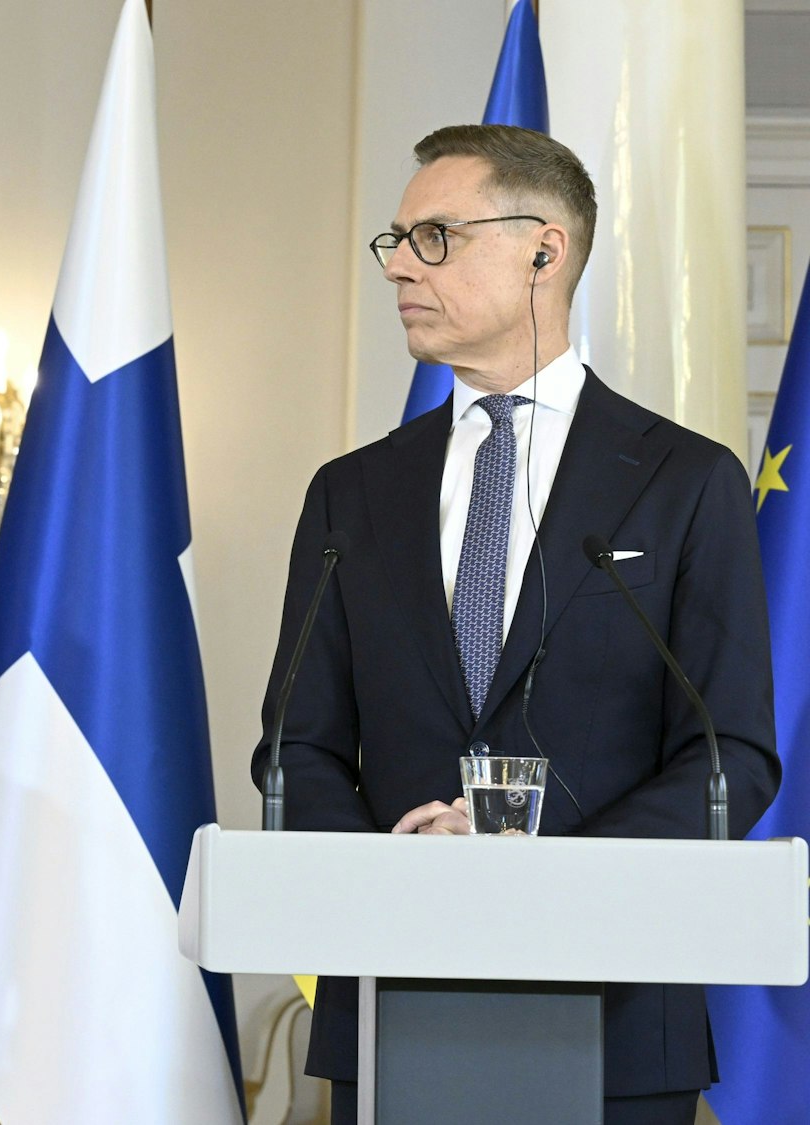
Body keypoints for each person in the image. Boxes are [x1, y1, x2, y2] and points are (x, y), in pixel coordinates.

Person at [252, 124, 780, 1124]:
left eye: (435, 237)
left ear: (544, 249)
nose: (399, 266)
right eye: (395, 241)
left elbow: (730, 756)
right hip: (387, 1004)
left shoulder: (680, 482)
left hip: (618, 1017)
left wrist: (543, 877)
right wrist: (398, 868)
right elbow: (294, 746)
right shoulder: (350, 494)